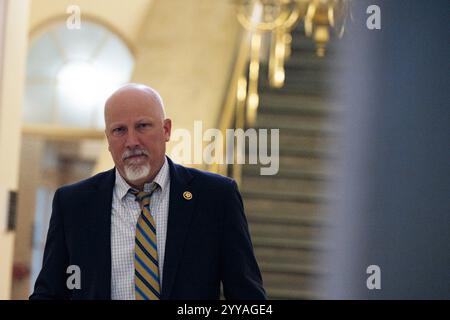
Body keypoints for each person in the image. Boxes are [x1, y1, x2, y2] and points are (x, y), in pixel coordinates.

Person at [29, 83, 266, 300]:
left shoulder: (215, 197)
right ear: (108, 140)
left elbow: (247, 297)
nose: (132, 141)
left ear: (166, 130)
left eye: (142, 126)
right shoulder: (73, 204)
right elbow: (50, 292)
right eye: (119, 130)